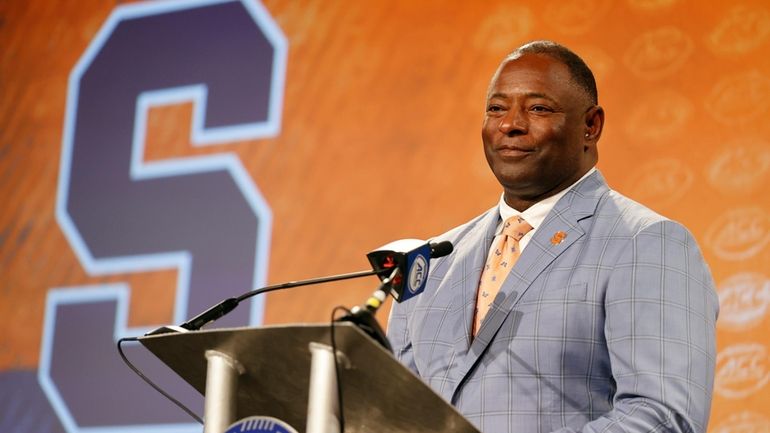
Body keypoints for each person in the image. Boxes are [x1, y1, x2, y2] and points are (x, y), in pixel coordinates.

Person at [386, 40, 719, 433]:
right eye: (496, 108)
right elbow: (390, 416)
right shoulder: (433, 261)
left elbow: (664, 418)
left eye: (538, 108)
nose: (510, 124)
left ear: (590, 126)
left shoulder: (647, 243)